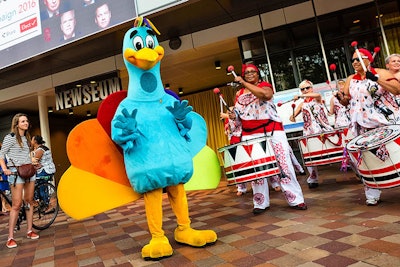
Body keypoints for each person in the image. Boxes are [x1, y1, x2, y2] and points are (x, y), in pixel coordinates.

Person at [229, 63, 307, 214]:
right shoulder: (239, 94)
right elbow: (240, 115)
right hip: (250, 133)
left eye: (253, 72)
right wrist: (234, 116)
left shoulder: (265, 85)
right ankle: (260, 202)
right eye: (247, 72)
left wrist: (244, 83)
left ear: (258, 74)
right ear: (243, 74)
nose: (250, 74)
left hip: (272, 130)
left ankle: (296, 199)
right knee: (257, 170)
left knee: (284, 165)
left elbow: (265, 95)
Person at [338, 48, 400, 206]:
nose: (355, 62)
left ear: (368, 59)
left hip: (384, 123)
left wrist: (376, 78)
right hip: (361, 126)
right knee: (366, 159)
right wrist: (341, 98)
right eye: (352, 60)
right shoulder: (351, 79)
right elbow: (346, 101)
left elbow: (397, 90)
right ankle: (372, 191)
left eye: (358, 59)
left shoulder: (382, 73)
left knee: (394, 153)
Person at [0, 113, 39, 249]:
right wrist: (5, 168)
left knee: (29, 201)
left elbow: (25, 155)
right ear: (16, 124)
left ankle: (29, 230)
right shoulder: (9, 138)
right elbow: (1, 154)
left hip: (29, 171)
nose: (26, 123)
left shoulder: (27, 137)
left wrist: (33, 163)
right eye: (23, 121)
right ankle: (10, 238)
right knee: (16, 205)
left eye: (26, 121)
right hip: (16, 173)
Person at [290, 80, 333, 189]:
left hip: (323, 128)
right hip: (309, 131)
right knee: (310, 156)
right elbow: (293, 117)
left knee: (338, 149)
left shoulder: (317, 97)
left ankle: (356, 170)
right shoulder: (302, 104)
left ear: (311, 88)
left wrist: (300, 95)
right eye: (302, 89)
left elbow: (317, 95)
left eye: (307, 88)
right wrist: (293, 116)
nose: (305, 90)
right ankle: (313, 178)